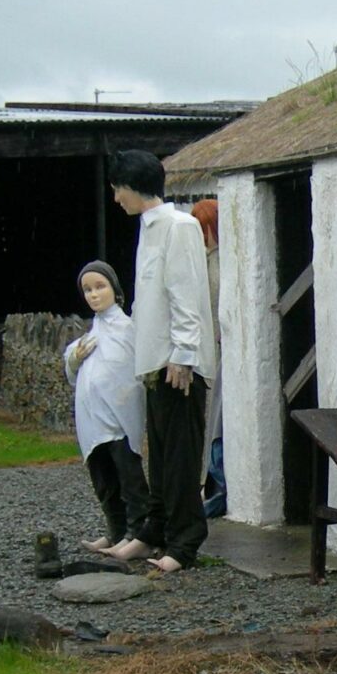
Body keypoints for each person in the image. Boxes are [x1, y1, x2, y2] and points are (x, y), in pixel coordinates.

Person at [110, 150, 216, 573]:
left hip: (178, 364)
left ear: (133, 185)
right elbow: (150, 299)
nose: (116, 198)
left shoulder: (180, 226)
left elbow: (185, 292)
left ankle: (185, 542)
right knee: (160, 455)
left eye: (118, 189)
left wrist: (184, 354)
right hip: (155, 361)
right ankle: (154, 531)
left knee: (181, 459)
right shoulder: (148, 228)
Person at [64, 259, 151, 557]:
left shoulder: (127, 330)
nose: (93, 294)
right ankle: (116, 531)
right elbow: (71, 366)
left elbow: (134, 371)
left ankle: (137, 533)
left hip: (119, 420)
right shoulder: (91, 334)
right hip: (93, 422)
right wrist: (75, 358)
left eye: (100, 287)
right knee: (104, 480)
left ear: (114, 288)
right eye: (87, 289)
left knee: (128, 477)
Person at [191, 196, 227, 519]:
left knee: (218, 417)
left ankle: (215, 486)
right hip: (211, 347)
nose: (206, 237)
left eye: (207, 229)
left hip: (223, 345)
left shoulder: (223, 260)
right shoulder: (202, 262)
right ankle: (211, 485)